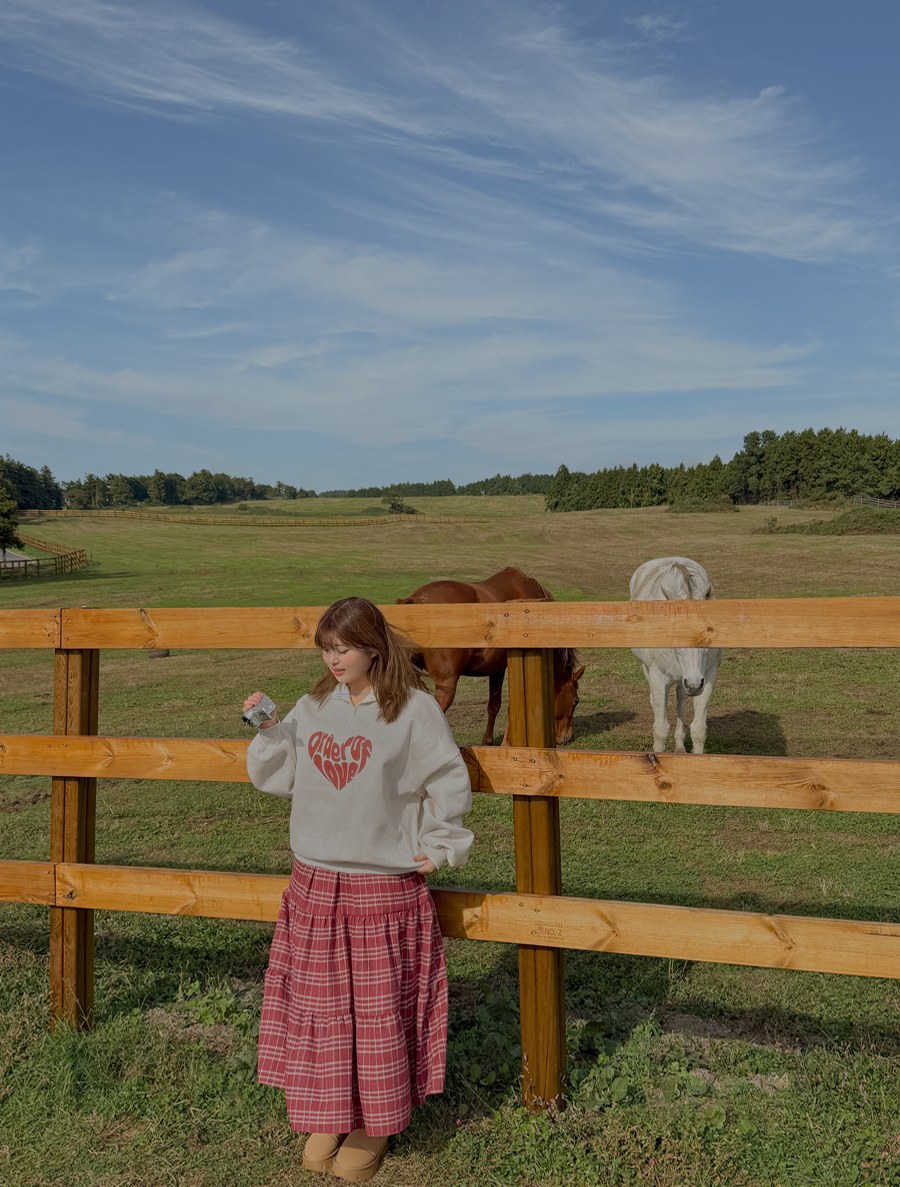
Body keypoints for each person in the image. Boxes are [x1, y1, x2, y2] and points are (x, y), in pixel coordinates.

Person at [243, 596, 473, 1182]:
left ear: (373, 646)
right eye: (326, 647)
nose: (333, 657)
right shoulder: (313, 704)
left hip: (381, 884)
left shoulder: (414, 711)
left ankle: (377, 1122)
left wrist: (443, 843)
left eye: (343, 647)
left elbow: (448, 776)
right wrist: (271, 730)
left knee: (376, 1014)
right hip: (316, 879)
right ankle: (331, 1110)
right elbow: (278, 776)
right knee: (322, 1007)